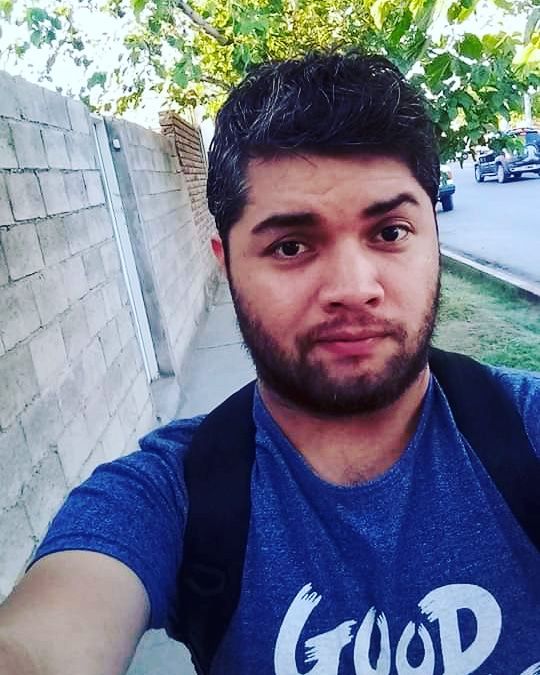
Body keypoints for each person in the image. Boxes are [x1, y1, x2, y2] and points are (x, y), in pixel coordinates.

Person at [0, 51, 539, 675]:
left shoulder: (523, 429)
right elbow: (42, 643)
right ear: (225, 264)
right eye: (290, 245)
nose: (353, 288)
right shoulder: (170, 494)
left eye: (390, 232)